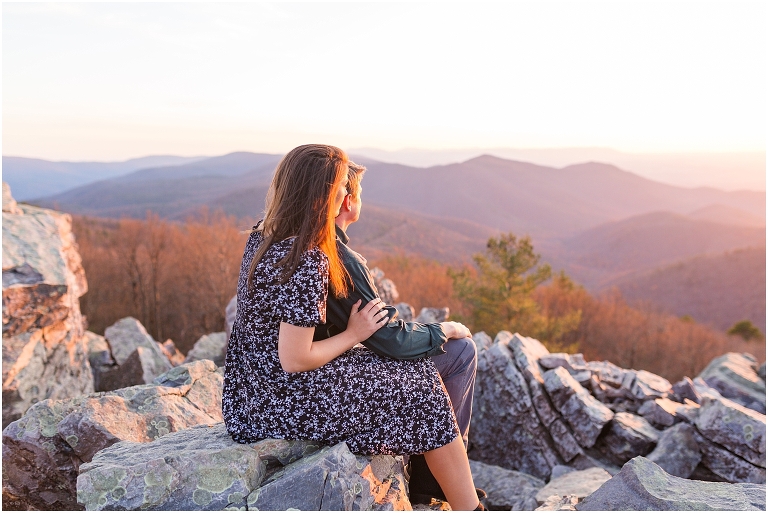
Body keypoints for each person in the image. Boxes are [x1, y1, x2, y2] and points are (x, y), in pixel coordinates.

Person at [223, 144, 483, 511]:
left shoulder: (264, 236)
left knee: (421, 379)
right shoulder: (308, 258)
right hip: (278, 400)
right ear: (325, 198)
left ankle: (444, 492)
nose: (349, 194)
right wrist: (352, 335)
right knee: (424, 392)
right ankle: (468, 506)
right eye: (343, 188)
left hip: (251, 390)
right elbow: (295, 358)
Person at [313, 161, 482, 505]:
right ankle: (436, 482)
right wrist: (443, 329)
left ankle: (434, 477)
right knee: (461, 352)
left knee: (447, 357)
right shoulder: (341, 257)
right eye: (356, 192)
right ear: (348, 203)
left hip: (319, 367)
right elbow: (389, 339)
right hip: (327, 375)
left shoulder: (308, 244)